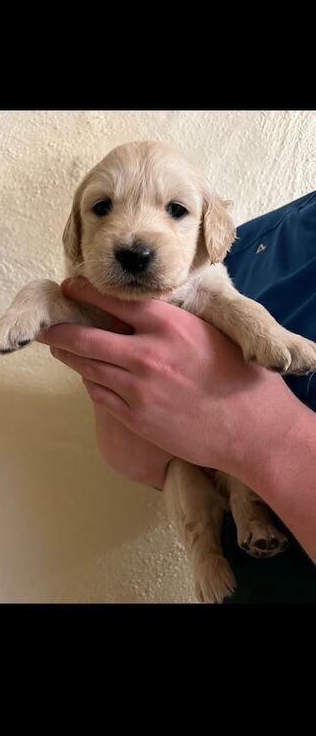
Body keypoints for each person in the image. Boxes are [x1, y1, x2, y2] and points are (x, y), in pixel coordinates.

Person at [37, 192, 316, 602]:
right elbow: (148, 458)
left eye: (175, 210)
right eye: (101, 208)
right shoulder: (253, 234)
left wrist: (269, 437)